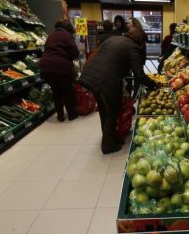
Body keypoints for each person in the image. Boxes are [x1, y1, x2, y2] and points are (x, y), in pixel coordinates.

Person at [78, 18, 158, 154]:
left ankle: (110, 138)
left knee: (104, 110)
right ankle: (108, 146)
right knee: (111, 111)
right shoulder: (132, 47)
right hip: (106, 79)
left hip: (91, 75)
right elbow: (139, 74)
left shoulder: (115, 39)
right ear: (139, 40)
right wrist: (153, 84)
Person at [40, 19, 79, 122]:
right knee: (67, 91)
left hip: (46, 67)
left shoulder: (51, 35)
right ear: (68, 28)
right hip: (61, 67)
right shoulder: (67, 35)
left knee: (56, 91)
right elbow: (75, 52)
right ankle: (71, 114)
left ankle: (60, 116)